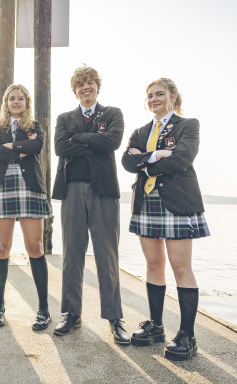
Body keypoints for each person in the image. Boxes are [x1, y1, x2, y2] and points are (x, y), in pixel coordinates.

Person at [122, 78, 210, 361]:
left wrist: (145, 165)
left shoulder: (188, 125)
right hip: (146, 203)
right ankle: (157, 326)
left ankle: (187, 336)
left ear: (173, 96)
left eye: (160, 94)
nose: (154, 99)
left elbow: (182, 158)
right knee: (153, 263)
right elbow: (126, 161)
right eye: (150, 96)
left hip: (177, 202)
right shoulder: (140, 131)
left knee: (180, 266)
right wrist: (157, 155)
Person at [52, 66, 129, 344]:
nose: (86, 87)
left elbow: (114, 141)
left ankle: (114, 318)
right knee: (72, 252)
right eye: (80, 84)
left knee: (107, 254)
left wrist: (80, 139)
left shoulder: (112, 114)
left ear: (98, 87)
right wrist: (95, 143)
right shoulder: (64, 118)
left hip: (104, 191)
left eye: (90, 83)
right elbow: (61, 148)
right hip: (72, 188)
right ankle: (72, 314)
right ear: (75, 90)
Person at [0, 84, 51, 330]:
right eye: (11, 98)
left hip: (30, 187)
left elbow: (37, 147)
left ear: (26, 102)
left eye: (20, 98)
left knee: (35, 247)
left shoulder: (34, 127)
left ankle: (43, 310)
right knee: (1, 248)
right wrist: (20, 149)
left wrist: (9, 148)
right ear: (6, 102)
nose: (16, 101)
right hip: (2, 186)